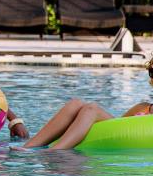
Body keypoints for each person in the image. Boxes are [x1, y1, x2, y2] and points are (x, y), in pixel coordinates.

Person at [22, 53, 153, 150]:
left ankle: (55, 151)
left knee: (92, 109)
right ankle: (29, 146)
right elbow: (117, 128)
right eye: (151, 73)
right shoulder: (143, 107)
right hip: (122, 138)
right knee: (76, 103)